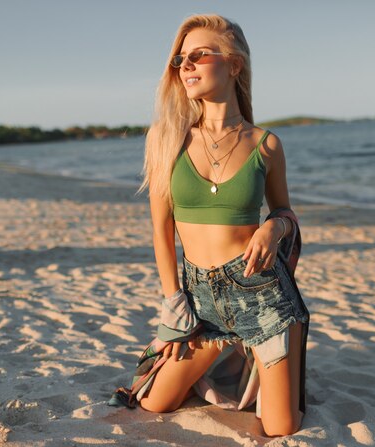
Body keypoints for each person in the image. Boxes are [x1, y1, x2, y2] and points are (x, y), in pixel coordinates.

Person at [128, 14, 310, 437]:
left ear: (234, 65)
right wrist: (174, 303)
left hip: (262, 295)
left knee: (281, 426)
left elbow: (285, 212)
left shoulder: (265, 143)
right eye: (180, 60)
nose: (185, 66)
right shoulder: (166, 138)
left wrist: (273, 229)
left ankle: (276, 346)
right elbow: (161, 231)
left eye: (198, 56)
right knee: (155, 403)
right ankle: (233, 350)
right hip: (198, 298)